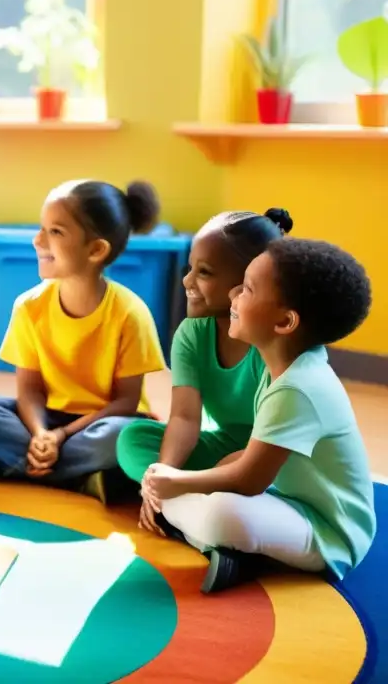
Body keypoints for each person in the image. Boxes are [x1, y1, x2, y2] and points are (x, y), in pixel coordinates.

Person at [143, 238, 376, 594]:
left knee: (218, 511)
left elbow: (249, 479)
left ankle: (228, 547)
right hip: (287, 501)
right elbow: (253, 458)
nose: (234, 294)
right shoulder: (282, 366)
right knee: (193, 492)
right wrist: (186, 480)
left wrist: (177, 483)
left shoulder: (297, 387)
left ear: (284, 321)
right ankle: (231, 547)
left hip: (329, 535)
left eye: (248, 289)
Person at [0, 179, 167, 502]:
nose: (38, 240)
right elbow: (29, 390)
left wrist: (62, 435)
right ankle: (79, 478)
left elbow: (125, 401)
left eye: (55, 232)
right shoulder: (28, 307)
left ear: (96, 249)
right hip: (45, 419)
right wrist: (41, 433)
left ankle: (4, 466)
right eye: (42, 228)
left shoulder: (130, 313)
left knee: (125, 438)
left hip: (103, 423)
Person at [116, 209, 293, 535]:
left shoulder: (271, 345)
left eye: (205, 272)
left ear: (246, 283)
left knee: (241, 477)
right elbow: (184, 418)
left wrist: (191, 481)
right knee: (132, 438)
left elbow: (274, 447)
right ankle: (182, 503)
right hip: (225, 448)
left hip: (275, 458)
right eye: (190, 268)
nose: (187, 281)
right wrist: (162, 475)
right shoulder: (191, 334)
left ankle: (191, 508)